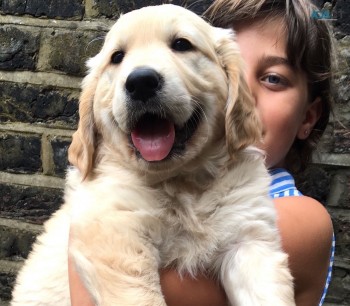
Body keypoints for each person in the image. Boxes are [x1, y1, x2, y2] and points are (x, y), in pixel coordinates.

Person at [68, 0, 336, 305]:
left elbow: (246, 263)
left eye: (273, 78)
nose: (242, 89)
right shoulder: (109, 188)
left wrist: (97, 237)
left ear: (308, 117)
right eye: (117, 57)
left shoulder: (304, 218)